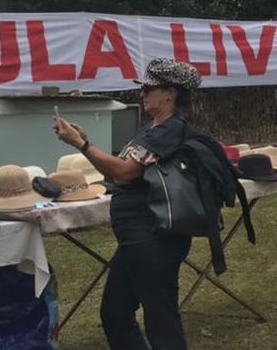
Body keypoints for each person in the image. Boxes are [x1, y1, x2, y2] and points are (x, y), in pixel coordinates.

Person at [54, 58, 206, 350]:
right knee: (115, 314)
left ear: (170, 93)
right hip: (137, 238)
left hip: (153, 237)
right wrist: (86, 144)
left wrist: (81, 145)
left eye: (149, 88)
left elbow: (126, 171)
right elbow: (117, 171)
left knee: (161, 322)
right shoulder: (152, 129)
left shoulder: (169, 130)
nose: (142, 93)